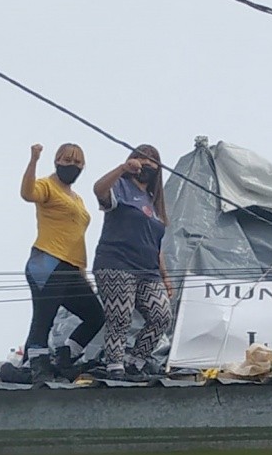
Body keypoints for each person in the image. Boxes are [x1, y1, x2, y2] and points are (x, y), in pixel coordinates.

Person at [20, 143, 105, 385]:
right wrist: (34, 160)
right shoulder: (47, 185)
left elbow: (76, 235)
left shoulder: (77, 198)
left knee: (95, 315)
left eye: (78, 162)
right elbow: (27, 193)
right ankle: (37, 364)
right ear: (57, 161)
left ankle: (65, 355)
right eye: (68, 160)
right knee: (43, 317)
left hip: (71, 267)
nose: (73, 165)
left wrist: (82, 271)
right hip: (47, 260)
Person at [92, 145, 174, 380]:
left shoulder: (154, 202)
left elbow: (156, 245)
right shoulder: (121, 187)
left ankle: (135, 361)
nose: (146, 163)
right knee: (120, 316)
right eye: (141, 157)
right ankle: (115, 365)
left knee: (161, 315)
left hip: (148, 270)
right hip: (117, 263)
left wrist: (165, 277)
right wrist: (121, 169)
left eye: (152, 160)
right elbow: (98, 190)